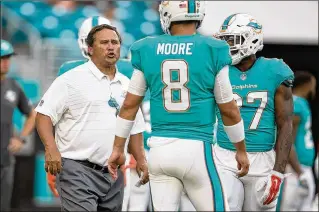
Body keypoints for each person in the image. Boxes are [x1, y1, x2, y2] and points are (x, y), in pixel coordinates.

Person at [108, 1, 250, 211]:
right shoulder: (213, 48)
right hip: (197, 148)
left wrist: (118, 148)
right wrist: (241, 149)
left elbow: (129, 106)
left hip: (159, 150)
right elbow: (228, 109)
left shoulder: (146, 48)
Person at [35, 24, 146, 211]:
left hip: (113, 174)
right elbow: (43, 115)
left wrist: (141, 159)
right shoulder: (70, 79)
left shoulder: (127, 84)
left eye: (115, 42)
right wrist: (50, 149)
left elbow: (134, 127)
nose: (111, 47)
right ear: (90, 49)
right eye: (104, 43)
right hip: (76, 170)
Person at [213, 13, 295, 211]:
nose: (228, 46)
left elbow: (285, 124)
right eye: (225, 40)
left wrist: (278, 173)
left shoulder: (275, 70)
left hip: (263, 160)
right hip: (225, 156)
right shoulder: (218, 70)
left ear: (252, 39)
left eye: (233, 40)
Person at [1, 39, 36, 211]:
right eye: (2, 58)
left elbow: (32, 115)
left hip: (5, 159)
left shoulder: (13, 86)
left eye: (8, 58)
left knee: (4, 205)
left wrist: (21, 138)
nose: (6, 62)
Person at [279, 71, 316, 211]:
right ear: (307, 84)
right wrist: (299, 171)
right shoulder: (294, 103)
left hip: (304, 167)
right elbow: (287, 140)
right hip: (295, 168)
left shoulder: (302, 103)